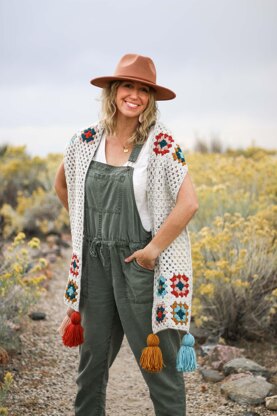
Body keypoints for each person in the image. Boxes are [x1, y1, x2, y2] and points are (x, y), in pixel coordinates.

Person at [54, 53, 199, 416]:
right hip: (95, 263)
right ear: (113, 90)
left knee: (160, 366)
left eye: (144, 89)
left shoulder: (161, 144)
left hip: (140, 266)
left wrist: (153, 249)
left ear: (151, 98)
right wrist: (85, 226)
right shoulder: (86, 139)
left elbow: (189, 203)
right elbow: (62, 184)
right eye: (128, 86)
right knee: (91, 363)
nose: (135, 95)